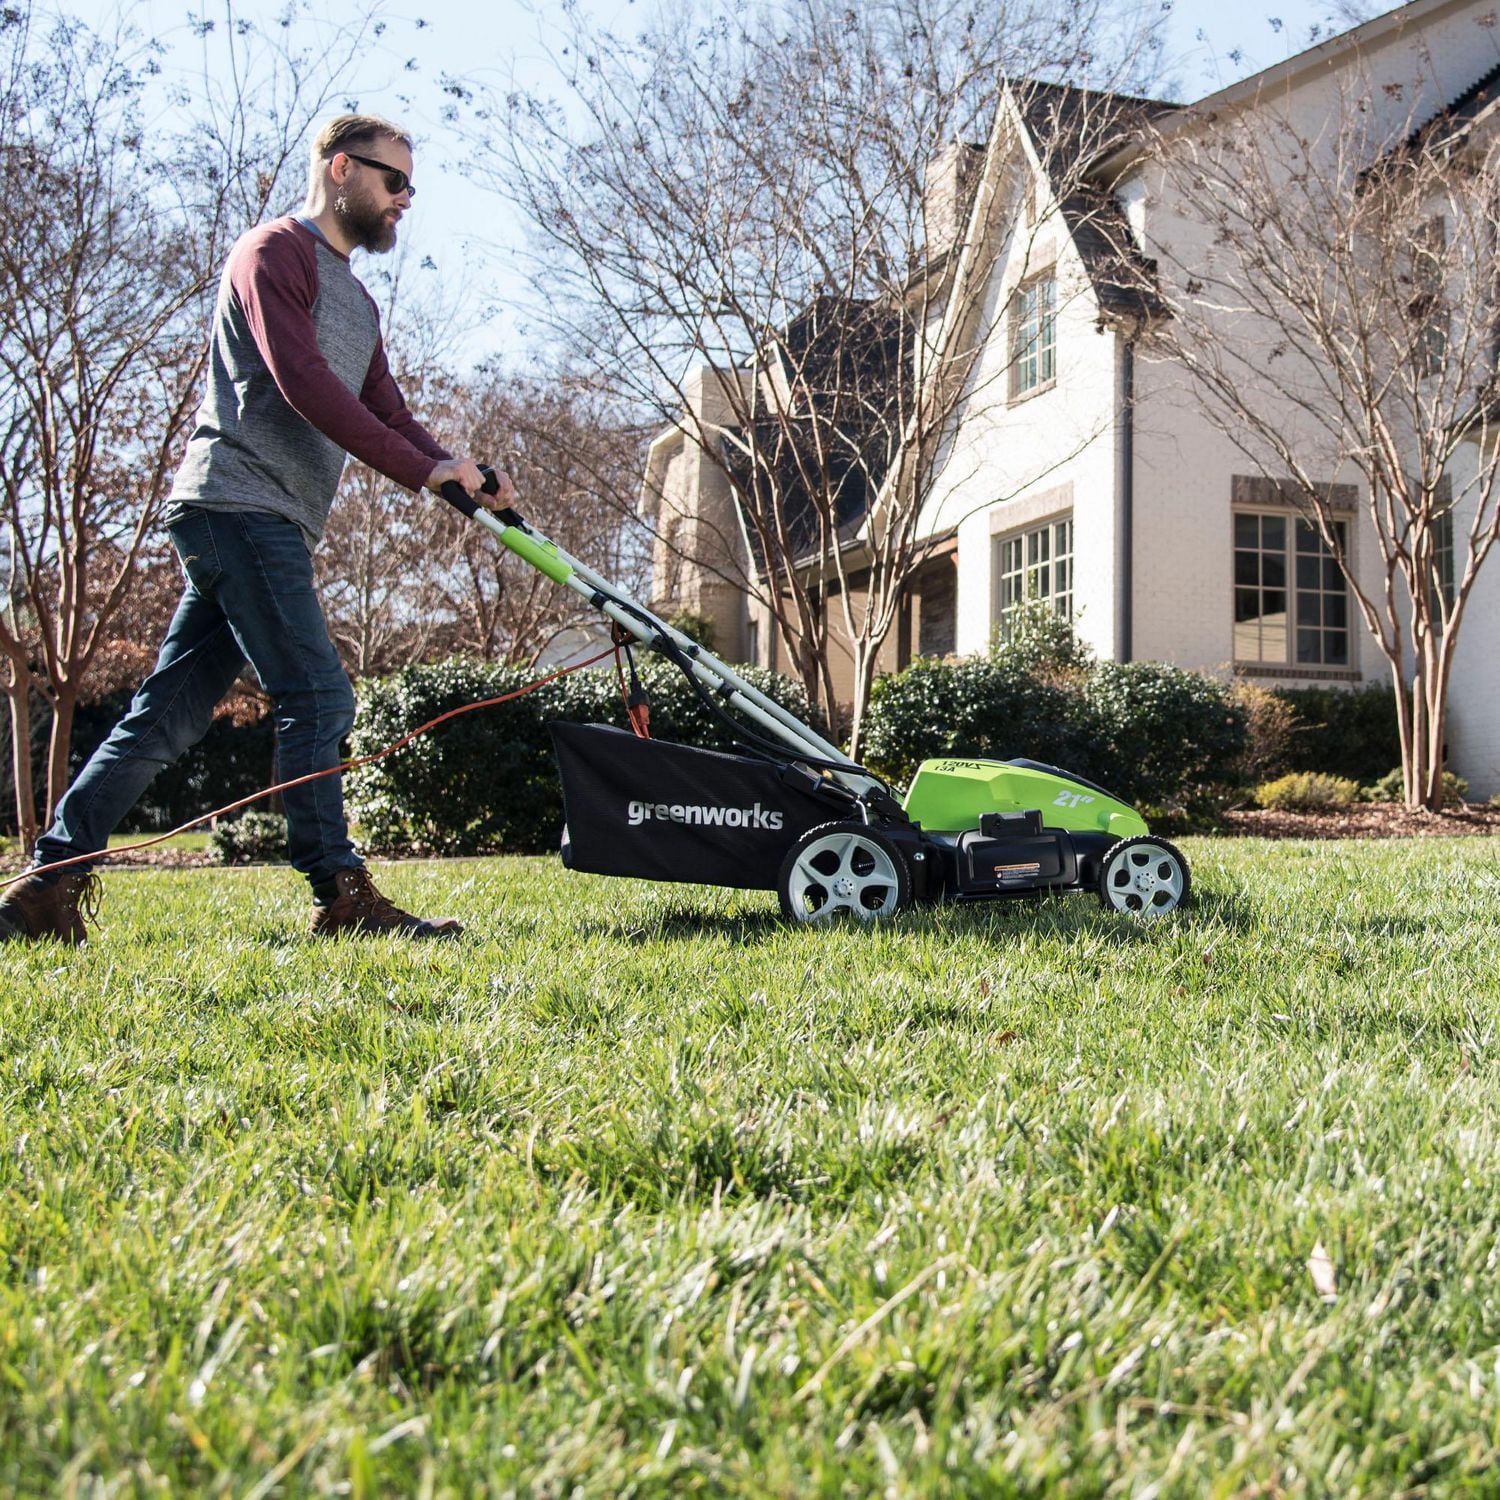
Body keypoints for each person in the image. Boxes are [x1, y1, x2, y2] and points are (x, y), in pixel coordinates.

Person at [0, 114, 512, 945]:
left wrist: (457, 469)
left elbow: (385, 409)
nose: (405, 199)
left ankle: (43, 889)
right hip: (238, 505)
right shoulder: (272, 253)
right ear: (341, 169)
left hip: (265, 517)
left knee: (165, 717)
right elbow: (305, 384)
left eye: (410, 186)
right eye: (394, 181)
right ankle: (339, 894)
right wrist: (421, 473)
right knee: (318, 694)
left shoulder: (358, 300)